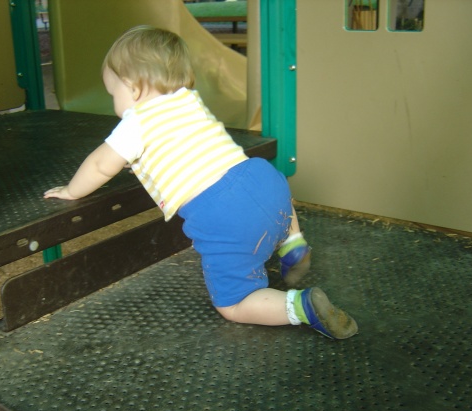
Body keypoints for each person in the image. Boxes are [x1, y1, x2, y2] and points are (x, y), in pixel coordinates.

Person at [44, 25, 358, 339]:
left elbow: (100, 165)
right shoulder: (188, 100)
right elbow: (181, 145)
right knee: (273, 199)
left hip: (222, 213)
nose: (115, 102)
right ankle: (293, 241)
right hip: (262, 178)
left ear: (132, 87)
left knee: (234, 303)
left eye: (113, 93)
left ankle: (301, 307)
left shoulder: (135, 123)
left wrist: (71, 190)